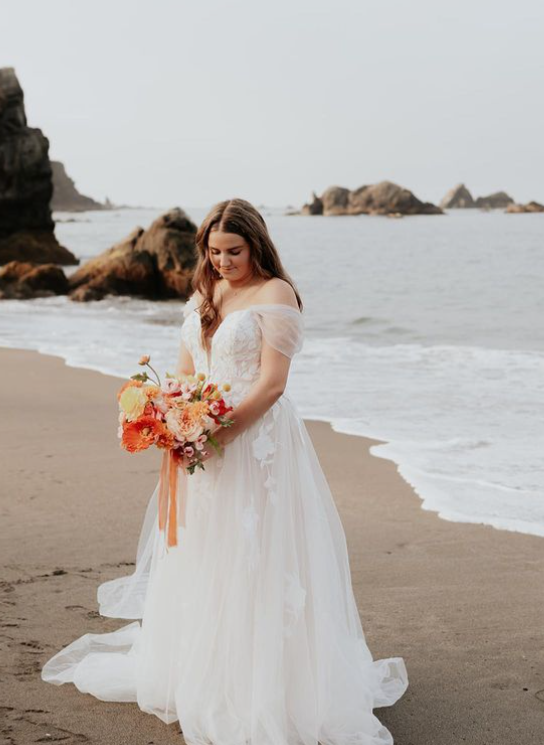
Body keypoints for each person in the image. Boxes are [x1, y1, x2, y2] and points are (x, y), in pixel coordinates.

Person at [42, 198, 408, 745]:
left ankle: (266, 683)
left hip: (255, 439)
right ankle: (202, 667)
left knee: (255, 550)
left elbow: (272, 384)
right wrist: (169, 415)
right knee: (205, 549)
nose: (222, 262)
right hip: (201, 436)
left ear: (255, 245)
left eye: (233, 252)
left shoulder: (275, 293)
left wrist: (220, 432)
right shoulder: (205, 289)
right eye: (213, 252)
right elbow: (188, 368)